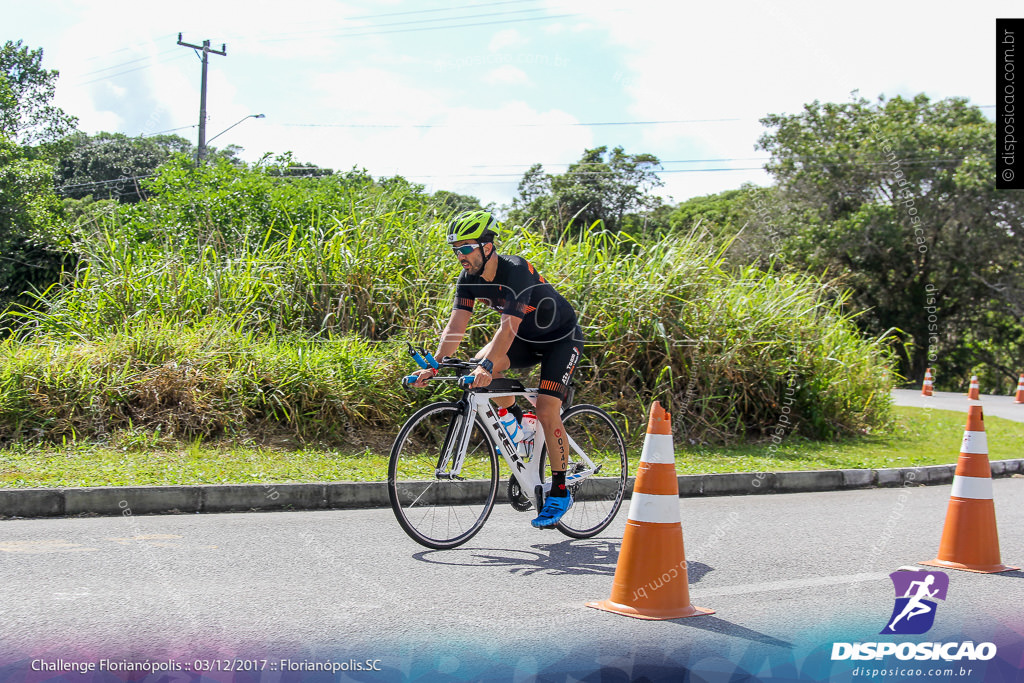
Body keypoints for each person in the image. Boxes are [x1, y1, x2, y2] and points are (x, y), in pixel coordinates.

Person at [409, 210, 584, 528]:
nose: (459, 255)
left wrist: (488, 365)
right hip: (525, 341)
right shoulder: (468, 280)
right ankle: (517, 419)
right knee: (479, 369)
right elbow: (455, 328)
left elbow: (508, 327)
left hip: (560, 338)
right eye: (455, 249)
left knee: (546, 408)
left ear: (487, 246)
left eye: (465, 248)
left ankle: (559, 491)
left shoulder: (515, 270)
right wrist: (435, 366)